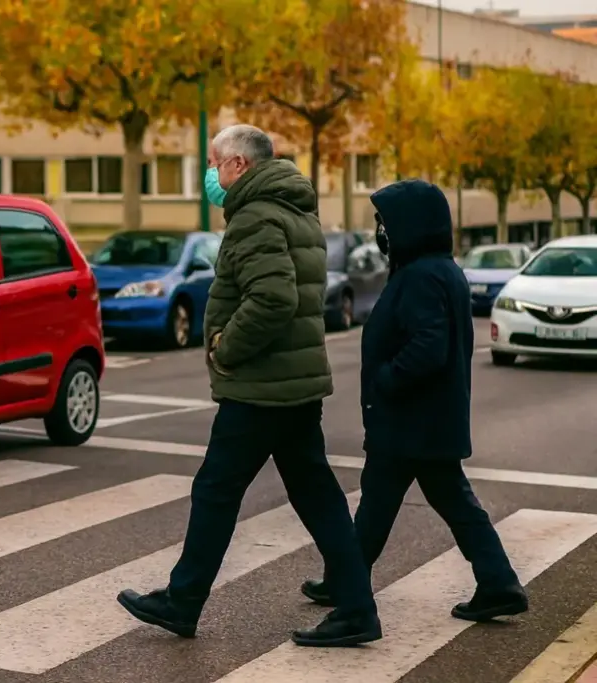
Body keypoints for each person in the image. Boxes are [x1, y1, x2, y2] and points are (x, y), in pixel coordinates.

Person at [116, 124, 381, 647]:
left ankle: (183, 600)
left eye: (215, 164)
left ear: (239, 165)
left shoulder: (256, 216)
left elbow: (274, 299)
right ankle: (356, 608)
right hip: (293, 385)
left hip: (262, 386)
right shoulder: (294, 208)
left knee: (216, 490)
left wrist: (224, 347)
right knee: (317, 496)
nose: (212, 175)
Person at [300, 179, 528, 621]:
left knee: (391, 503)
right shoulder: (435, 269)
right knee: (399, 506)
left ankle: (350, 590)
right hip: (426, 422)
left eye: (385, 222)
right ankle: (496, 582)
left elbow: (429, 344)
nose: (381, 231)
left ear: (412, 225)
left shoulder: (422, 276)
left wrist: (387, 379)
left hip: (412, 422)